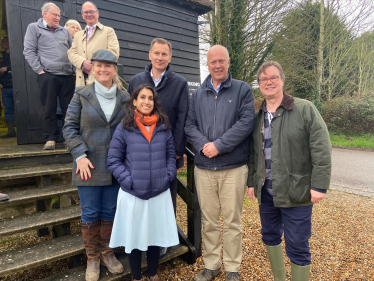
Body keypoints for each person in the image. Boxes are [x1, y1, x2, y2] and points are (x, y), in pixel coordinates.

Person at [247, 61, 332, 281]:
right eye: (264, 79)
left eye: (273, 77)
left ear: (282, 80)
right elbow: (254, 153)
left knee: (297, 245)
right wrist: (251, 182)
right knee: (270, 236)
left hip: (297, 192)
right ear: (259, 85)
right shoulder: (257, 117)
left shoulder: (304, 109)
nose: (269, 82)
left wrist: (319, 185)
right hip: (267, 193)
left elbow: (321, 149)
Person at [184, 45, 255, 281]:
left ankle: (233, 267)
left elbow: (246, 124)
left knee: (233, 221)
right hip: (204, 169)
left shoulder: (242, 89)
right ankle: (212, 264)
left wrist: (220, 145)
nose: (217, 65)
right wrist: (205, 144)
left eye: (221, 61)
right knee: (210, 220)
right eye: (213, 62)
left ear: (228, 61)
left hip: (233, 167)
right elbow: (189, 125)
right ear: (208, 63)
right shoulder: (198, 94)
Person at [63, 49, 129, 281]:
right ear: (93, 68)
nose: (103, 69)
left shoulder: (125, 98)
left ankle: (107, 253)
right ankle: (92, 258)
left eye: (108, 66)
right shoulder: (81, 94)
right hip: (87, 165)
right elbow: (69, 128)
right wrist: (79, 155)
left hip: (115, 166)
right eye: (99, 65)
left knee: (110, 211)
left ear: (114, 70)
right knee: (90, 212)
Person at [107, 84, 179, 281]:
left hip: (159, 192)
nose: (147, 101)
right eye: (143, 97)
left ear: (154, 103)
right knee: (135, 238)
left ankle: (153, 275)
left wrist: (168, 174)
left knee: (155, 237)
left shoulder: (163, 126)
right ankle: (137, 277)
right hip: (133, 194)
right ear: (135, 102)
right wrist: (129, 181)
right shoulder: (125, 127)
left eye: (150, 98)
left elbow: (171, 155)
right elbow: (113, 160)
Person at [128, 37, 189, 219]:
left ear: (170, 57)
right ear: (150, 55)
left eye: (164, 54)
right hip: (139, 149)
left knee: (166, 197)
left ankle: (164, 242)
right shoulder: (135, 80)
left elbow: (183, 117)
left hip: (166, 151)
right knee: (139, 196)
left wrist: (178, 150)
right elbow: (129, 115)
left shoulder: (180, 83)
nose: (160, 57)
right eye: (156, 53)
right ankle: (143, 239)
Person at [23, 2, 75, 150]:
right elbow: (28, 51)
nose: (58, 18)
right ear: (45, 14)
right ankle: (51, 138)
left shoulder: (63, 32)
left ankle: (69, 138)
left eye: (59, 15)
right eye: (55, 15)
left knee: (69, 109)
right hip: (48, 75)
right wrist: (40, 70)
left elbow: (72, 51)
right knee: (49, 108)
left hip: (67, 76)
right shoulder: (34, 28)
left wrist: (72, 70)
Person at [68, 1, 119, 87]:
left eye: (91, 11)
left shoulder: (109, 31)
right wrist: (83, 63)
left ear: (97, 13)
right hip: (82, 81)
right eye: (86, 12)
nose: (89, 14)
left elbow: (113, 52)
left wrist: (94, 66)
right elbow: (71, 53)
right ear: (82, 15)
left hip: (101, 79)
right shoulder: (77, 35)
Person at [0, 36, 16, 139]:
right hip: (5, 87)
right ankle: (11, 131)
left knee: (19, 109)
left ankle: (22, 130)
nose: (2, 44)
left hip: (16, 86)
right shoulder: (1, 57)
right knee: (8, 110)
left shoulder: (16, 55)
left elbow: (20, 65)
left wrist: (8, 68)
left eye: (4, 42)